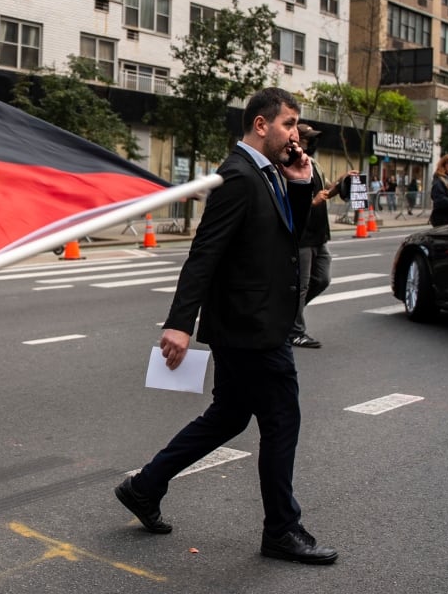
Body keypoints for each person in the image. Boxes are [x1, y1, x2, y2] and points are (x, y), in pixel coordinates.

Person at [114, 87, 338, 565]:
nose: (295, 134)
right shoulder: (237, 176)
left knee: (230, 415)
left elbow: (286, 238)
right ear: (262, 125)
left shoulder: (271, 174)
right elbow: (204, 254)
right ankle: (282, 529)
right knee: (281, 420)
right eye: (289, 124)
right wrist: (179, 324)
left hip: (252, 322)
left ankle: (144, 486)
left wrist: (300, 185)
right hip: (252, 327)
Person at [287, 124, 346, 350]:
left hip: (319, 234)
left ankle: (289, 315)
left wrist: (340, 183)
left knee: (322, 279)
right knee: (300, 286)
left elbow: (326, 190)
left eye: (312, 139)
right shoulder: (289, 165)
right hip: (302, 235)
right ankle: (295, 331)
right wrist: (313, 202)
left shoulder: (315, 164)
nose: (311, 143)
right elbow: (290, 202)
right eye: (307, 138)